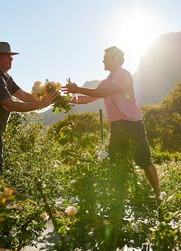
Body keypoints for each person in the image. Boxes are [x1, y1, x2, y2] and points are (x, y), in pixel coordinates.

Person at [63, 46, 160, 198]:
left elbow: (103, 93)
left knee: (144, 161)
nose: (103, 60)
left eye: (106, 57)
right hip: (116, 129)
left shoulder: (123, 74)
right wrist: (63, 99)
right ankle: (120, 201)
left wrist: (78, 88)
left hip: (132, 125)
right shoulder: (105, 82)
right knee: (116, 165)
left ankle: (158, 196)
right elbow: (87, 99)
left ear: (115, 58)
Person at [0, 42, 57, 179]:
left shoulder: (5, 77)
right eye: (8, 56)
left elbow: (23, 96)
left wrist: (45, 99)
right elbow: (11, 105)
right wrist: (41, 105)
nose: (12, 59)